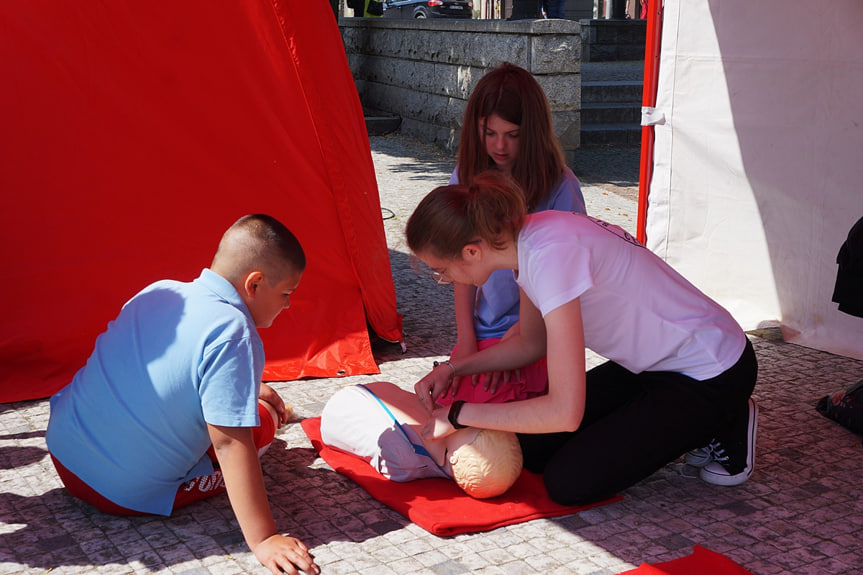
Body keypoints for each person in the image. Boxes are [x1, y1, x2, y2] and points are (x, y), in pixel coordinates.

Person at [407, 171, 759, 506]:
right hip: (654, 365)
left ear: (471, 251)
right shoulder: (528, 239)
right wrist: (454, 368)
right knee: (532, 451)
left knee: (570, 482)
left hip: (714, 371)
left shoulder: (549, 258)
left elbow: (565, 412)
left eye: (442, 270)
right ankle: (676, 420)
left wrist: (458, 414)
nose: (446, 279)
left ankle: (726, 418)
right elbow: (531, 344)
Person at [46, 214, 320, 575]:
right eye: (286, 293)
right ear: (254, 284)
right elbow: (229, 444)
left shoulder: (161, 290)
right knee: (264, 420)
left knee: (248, 403)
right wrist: (264, 539)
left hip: (63, 450)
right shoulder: (234, 331)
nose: (286, 305)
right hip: (120, 492)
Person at [442, 62, 586, 407]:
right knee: (452, 402)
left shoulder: (561, 187)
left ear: (532, 133)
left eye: (513, 135)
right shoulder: (466, 174)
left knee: (498, 407)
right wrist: (466, 341)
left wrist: (522, 334)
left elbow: (564, 280)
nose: (500, 146)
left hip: (542, 333)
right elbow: (460, 265)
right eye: (489, 133)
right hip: (486, 328)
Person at [320, 381, 523, 499]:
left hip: (341, 406)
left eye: (475, 430)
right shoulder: (442, 439)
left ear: (455, 459)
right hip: (369, 394)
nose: (471, 423)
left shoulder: (404, 462)